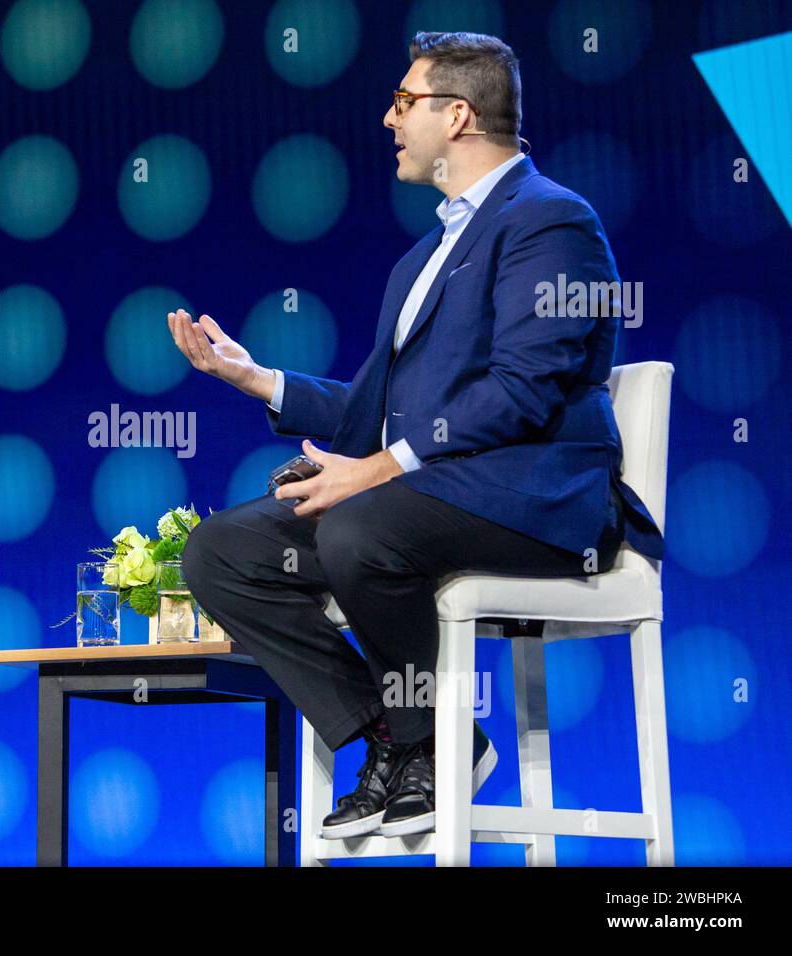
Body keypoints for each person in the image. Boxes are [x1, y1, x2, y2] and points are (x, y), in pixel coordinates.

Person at [170, 32, 663, 840]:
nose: (388, 118)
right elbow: (380, 411)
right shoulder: (424, 256)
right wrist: (256, 379)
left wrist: (379, 469)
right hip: (431, 499)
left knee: (360, 526)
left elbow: (524, 389)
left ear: (458, 114)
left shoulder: (552, 222)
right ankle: (399, 737)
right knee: (224, 551)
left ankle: (424, 736)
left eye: (405, 101)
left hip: (535, 502)